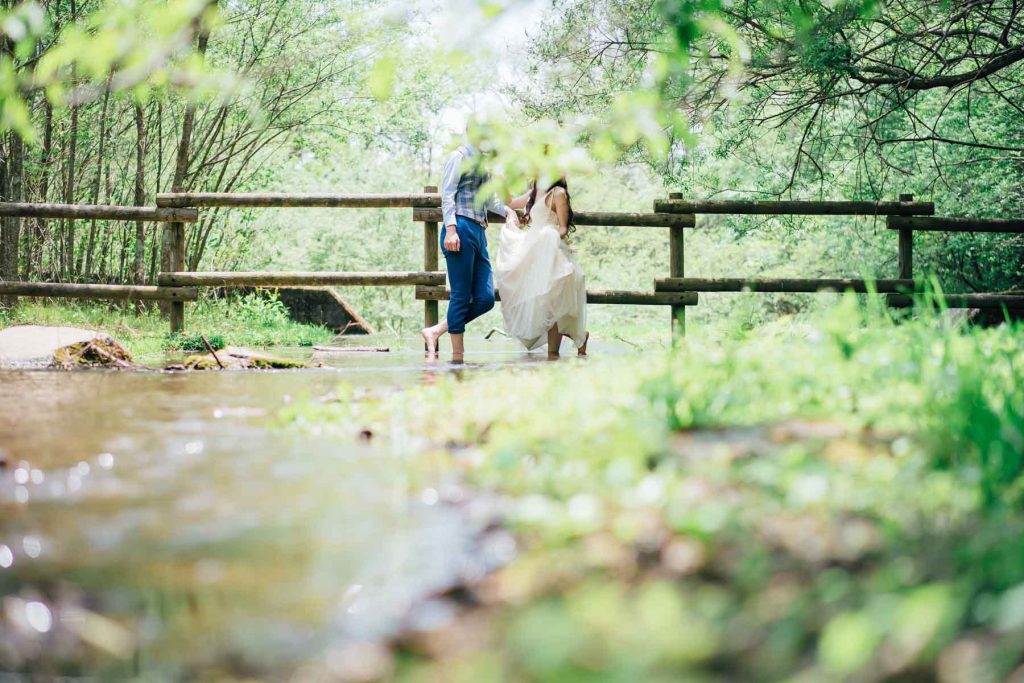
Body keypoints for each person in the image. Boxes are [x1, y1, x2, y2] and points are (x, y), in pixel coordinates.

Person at [421, 142, 519, 361]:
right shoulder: (459, 157)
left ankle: (436, 330)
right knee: (461, 296)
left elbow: (489, 200)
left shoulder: (484, 162)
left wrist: (507, 211)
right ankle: (458, 360)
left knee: (485, 298)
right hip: (460, 228)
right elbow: (447, 195)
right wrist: (451, 230)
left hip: (479, 231)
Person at [496, 178, 589, 357]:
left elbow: (563, 227)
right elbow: (510, 202)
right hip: (534, 252)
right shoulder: (535, 191)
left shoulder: (558, 194)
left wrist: (548, 235)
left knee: (551, 301)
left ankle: (555, 355)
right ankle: (578, 338)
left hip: (552, 252)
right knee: (539, 303)